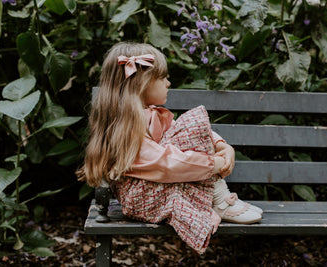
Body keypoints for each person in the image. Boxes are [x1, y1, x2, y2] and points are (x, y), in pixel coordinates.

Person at [77, 42, 262, 254]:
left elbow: (186, 132)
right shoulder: (126, 128)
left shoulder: (149, 114)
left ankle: (217, 198)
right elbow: (165, 164)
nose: (168, 83)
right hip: (142, 195)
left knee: (190, 125)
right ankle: (219, 201)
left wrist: (223, 146)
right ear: (142, 82)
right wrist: (213, 164)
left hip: (153, 187)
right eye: (163, 77)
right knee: (189, 132)